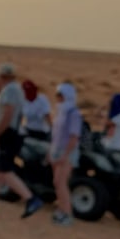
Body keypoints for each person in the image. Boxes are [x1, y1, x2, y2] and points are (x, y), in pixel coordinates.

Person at [0, 63, 44, 217]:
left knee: (5, 170)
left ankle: (30, 199)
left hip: (8, 134)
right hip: (10, 133)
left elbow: (7, 115)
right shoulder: (14, 90)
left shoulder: (11, 90)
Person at [47, 83, 83, 227]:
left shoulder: (73, 113)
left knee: (61, 183)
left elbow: (74, 137)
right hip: (57, 150)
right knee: (57, 182)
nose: (58, 98)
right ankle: (61, 210)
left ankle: (67, 214)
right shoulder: (60, 111)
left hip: (67, 152)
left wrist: (65, 155)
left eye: (61, 96)